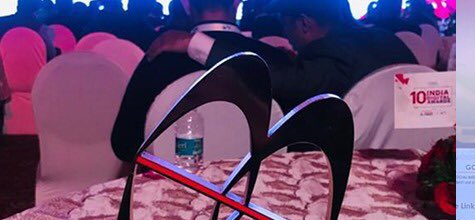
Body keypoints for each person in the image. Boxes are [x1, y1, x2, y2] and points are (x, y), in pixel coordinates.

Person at [146, 0, 417, 113]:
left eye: (285, 24)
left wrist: (195, 43)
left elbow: (276, 79)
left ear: (304, 24)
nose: (286, 34)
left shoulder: (333, 56)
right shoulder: (388, 40)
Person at [110, 0, 259, 162]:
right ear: (237, 3)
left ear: (186, 5)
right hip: (259, 176)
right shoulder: (266, 62)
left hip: (170, 176)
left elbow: (123, 144)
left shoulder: (158, 57)